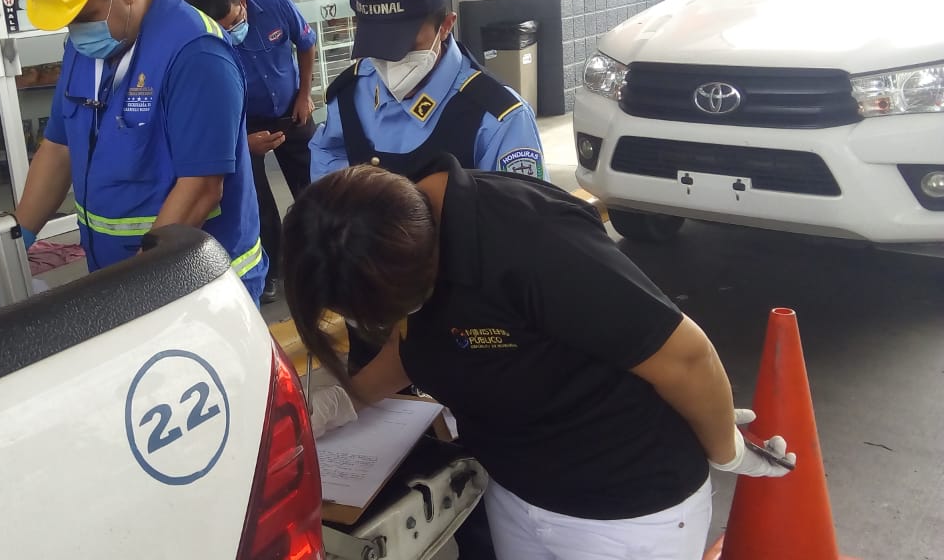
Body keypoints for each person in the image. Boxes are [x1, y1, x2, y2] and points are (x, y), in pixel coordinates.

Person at [282, 155, 796, 560]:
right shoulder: (391, 233)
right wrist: (342, 401)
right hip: (516, 490)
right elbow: (416, 342)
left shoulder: (533, 242)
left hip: (626, 513)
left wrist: (724, 447)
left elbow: (685, 357)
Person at [11, 0, 266, 300]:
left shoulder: (196, 53)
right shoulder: (86, 47)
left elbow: (200, 187)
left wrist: (140, 289)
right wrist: (14, 241)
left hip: (194, 285)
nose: (76, 32)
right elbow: (59, 149)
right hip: (119, 278)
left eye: (82, 17)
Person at [310, 0, 544, 183]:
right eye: (377, 46)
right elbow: (327, 152)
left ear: (445, 26)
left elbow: (521, 206)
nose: (390, 61)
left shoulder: (498, 119)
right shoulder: (351, 94)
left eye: (405, 46)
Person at [187, 0, 317, 305]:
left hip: (292, 110)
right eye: (221, 28)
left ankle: (319, 258)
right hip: (244, 125)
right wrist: (242, 142)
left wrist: (304, 94)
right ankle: (271, 270)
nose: (231, 32)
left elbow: (306, 43)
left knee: (314, 187)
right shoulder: (199, 38)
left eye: (234, 21)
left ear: (242, 3)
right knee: (255, 202)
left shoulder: (274, 3)